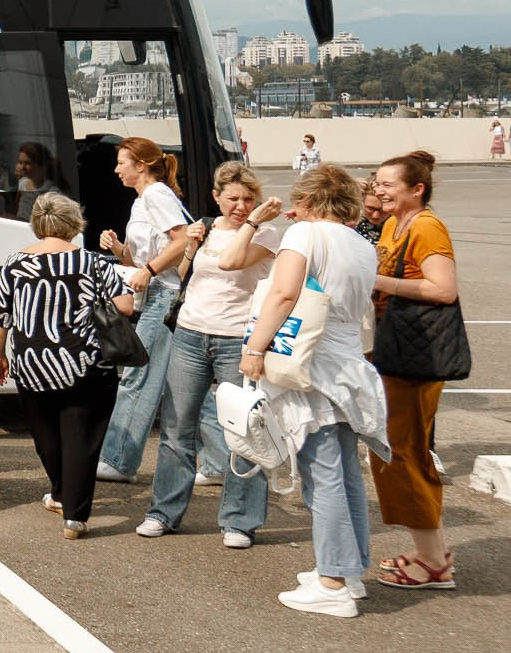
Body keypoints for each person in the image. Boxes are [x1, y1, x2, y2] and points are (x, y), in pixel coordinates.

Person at [242, 164, 388, 619]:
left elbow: (283, 295)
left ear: (306, 200)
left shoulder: (303, 236)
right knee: (344, 472)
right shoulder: (363, 245)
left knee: (322, 473)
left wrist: (254, 347)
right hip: (347, 365)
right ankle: (348, 569)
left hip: (311, 366)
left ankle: (332, 581)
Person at [140, 162, 283, 546]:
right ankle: (163, 513)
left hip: (237, 338)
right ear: (216, 196)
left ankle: (239, 521)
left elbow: (231, 261)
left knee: (243, 430)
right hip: (190, 333)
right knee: (176, 428)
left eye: (248, 198)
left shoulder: (266, 232)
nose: (240, 205)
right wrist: (190, 246)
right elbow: (188, 274)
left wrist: (251, 221)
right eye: (233, 198)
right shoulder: (206, 226)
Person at [0, 193, 133, 537]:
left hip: (31, 362)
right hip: (84, 363)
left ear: (38, 224)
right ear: (74, 223)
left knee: (46, 435)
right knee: (81, 438)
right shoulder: (92, 263)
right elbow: (125, 305)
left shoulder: (14, 263)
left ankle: (59, 492)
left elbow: (0, 314)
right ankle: (75, 516)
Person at [371, 151, 462, 590]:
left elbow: (443, 289)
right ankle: (431, 550)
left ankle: (433, 562)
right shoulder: (392, 224)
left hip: (417, 356)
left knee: (405, 452)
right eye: (378, 183)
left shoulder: (427, 227)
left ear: (416, 189)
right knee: (392, 449)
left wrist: (381, 283)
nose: (379, 190)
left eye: (388, 185)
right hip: (392, 349)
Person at [93, 137, 193, 484]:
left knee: (138, 376)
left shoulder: (155, 195)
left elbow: (182, 240)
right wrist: (119, 248)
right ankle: (218, 463)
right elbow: (146, 257)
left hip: (161, 296)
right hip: (158, 294)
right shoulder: (145, 199)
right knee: (175, 384)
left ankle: (119, 460)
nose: (116, 169)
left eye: (121, 162)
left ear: (140, 165)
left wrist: (147, 271)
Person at [13, 142, 66, 218]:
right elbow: (17, 204)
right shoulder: (22, 182)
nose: (22, 167)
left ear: (42, 166)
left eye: (28, 163)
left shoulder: (52, 191)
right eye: (20, 162)